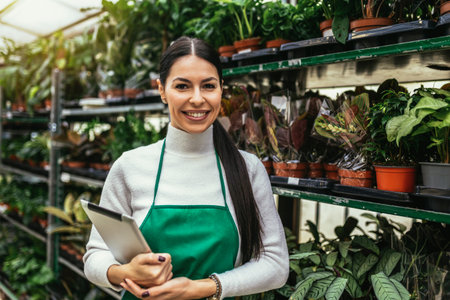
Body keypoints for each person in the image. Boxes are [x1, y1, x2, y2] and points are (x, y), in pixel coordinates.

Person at [83, 36, 289, 300]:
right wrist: (122, 271)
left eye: (208, 86)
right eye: (182, 86)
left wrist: (200, 288)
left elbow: (275, 264)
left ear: (221, 89)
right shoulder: (130, 166)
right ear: (162, 90)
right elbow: (95, 256)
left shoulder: (247, 169)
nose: (197, 99)